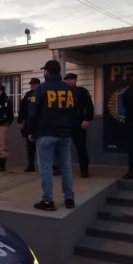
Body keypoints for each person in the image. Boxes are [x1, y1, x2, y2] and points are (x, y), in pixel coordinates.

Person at [26, 60, 81, 211]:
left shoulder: (41, 89)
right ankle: (69, 198)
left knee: (45, 167)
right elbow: (75, 112)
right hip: (64, 134)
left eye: (44, 71)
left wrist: (30, 131)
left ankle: (48, 201)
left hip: (45, 134)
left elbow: (33, 113)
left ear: (47, 72)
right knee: (66, 166)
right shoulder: (70, 90)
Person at [63, 72, 93, 178]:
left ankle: (84, 169)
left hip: (78, 123)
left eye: (70, 79)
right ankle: (58, 167)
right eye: (66, 79)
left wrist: (87, 119)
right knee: (60, 147)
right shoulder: (62, 92)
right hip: (64, 124)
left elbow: (89, 106)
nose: (68, 81)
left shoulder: (81, 91)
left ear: (75, 80)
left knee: (81, 147)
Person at [17, 77, 40, 172]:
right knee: (30, 147)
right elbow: (21, 109)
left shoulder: (42, 94)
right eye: (31, 84)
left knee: (43, 146)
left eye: (34, 84)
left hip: (41, 124)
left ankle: (49, 166)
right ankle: (31, 165)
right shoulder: (27, 95)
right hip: (30, 125)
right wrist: (20, 121)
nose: (32, 85)